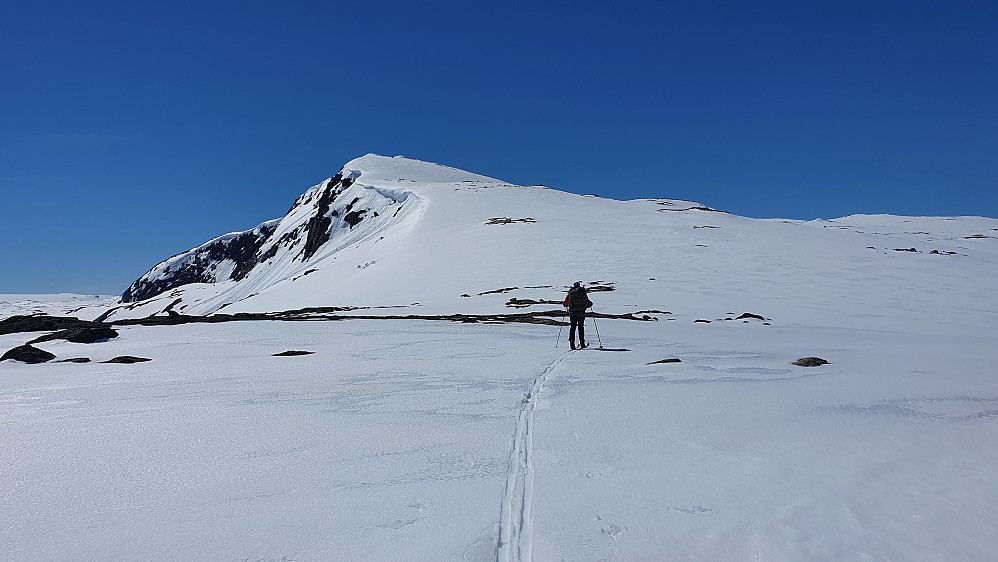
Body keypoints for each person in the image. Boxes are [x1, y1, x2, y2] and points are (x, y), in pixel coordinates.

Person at [563, 281, 593, 350]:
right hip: (581, 313)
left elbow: (565, 303)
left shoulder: (571, 293)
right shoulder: (582, 292)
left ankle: (571, 342)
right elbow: (587, 302)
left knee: (573, 327)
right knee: (580, 328)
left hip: (572, 313)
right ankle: (582, 343)